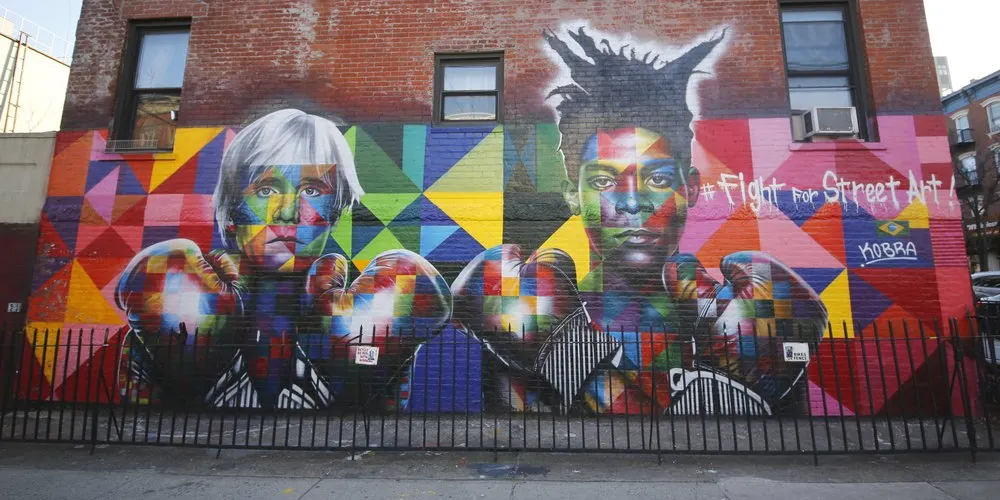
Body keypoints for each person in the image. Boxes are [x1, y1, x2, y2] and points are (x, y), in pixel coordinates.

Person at [451, 27, 827, 415]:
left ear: (690, 189)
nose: (632, 203)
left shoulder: (742, 317)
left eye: (658, 180)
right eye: (603, 181)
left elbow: (777, 438)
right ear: (572, 196)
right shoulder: (523, 310)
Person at [115, 109, 451, 409]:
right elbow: (138, 415)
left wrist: (360, 366)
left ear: (334, 213)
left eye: (311, 191)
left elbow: (383, 415)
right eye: (266, 190)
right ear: (232, 211)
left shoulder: (371, 312)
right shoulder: (173, 301)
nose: (288, 213)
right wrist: (184, 363)